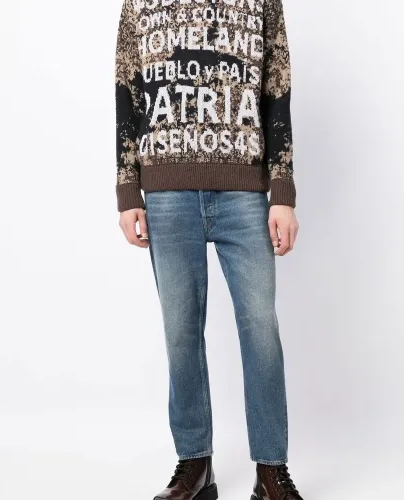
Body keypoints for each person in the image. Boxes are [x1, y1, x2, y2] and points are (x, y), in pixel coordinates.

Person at [115, 0, 303, 499]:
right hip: (166, 190)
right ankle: (196, 466)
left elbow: (277, 90)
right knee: (180, 331)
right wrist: (128, 189)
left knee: (260, 327)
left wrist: (282, 191)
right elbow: (127, 92)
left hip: (244, 191)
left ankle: (270, 471)